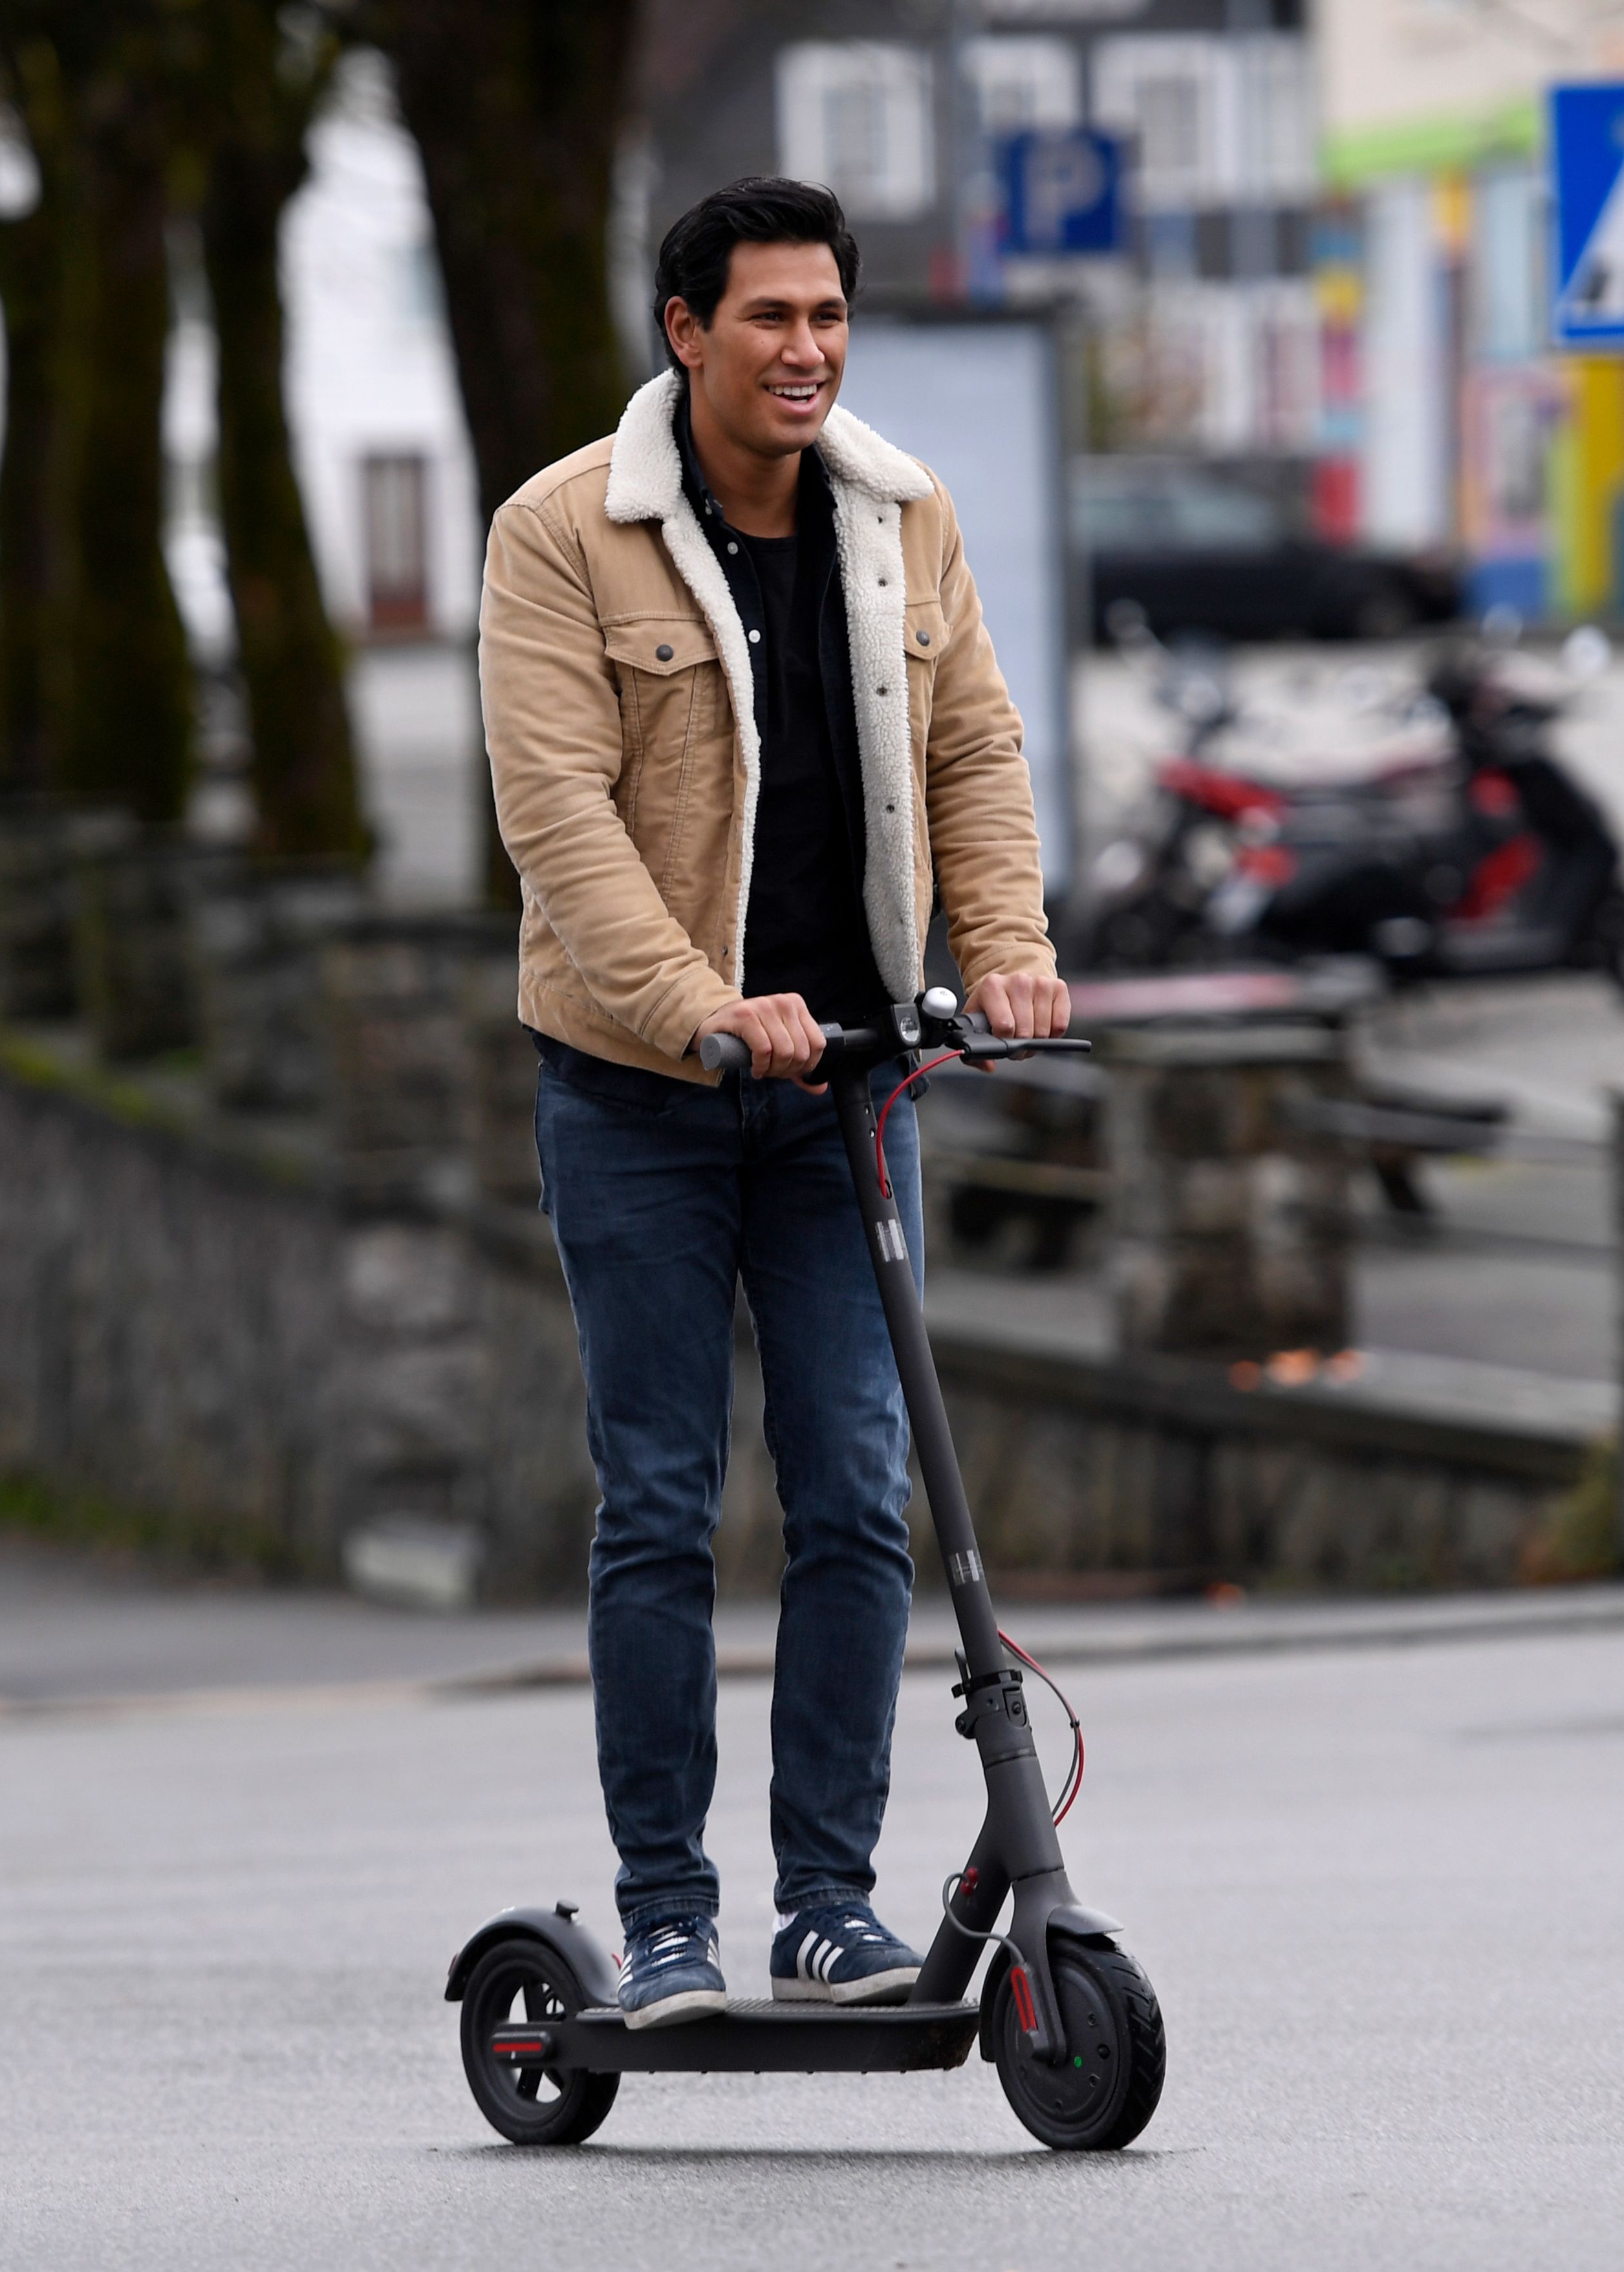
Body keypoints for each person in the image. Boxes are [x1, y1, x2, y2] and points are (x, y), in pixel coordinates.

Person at [479, 177, 1068, 2026]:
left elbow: (972, 746)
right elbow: (557, 813)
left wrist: (1010, 947)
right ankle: (667, 1911)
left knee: (860, 1495)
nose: (808, 349)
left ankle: (830, 1900)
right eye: (770, 317)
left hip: (850, 1098)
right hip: (639, 1094)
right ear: (685, 331)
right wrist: (702, 1008)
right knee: (662, 1503)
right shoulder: (563, 532)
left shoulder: (903, 517)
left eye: (829, 316)